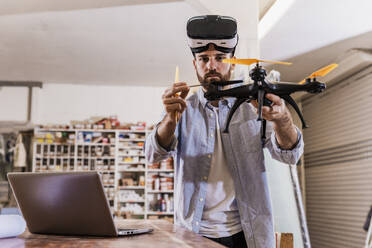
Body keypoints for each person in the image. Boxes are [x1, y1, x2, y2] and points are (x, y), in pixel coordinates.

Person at [145, 15, 304, 248]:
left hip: (248, 234)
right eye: (203, 59)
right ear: (195, 64)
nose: (211, 65)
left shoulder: (254, 107)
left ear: (233, 61)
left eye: (220, 58)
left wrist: (282, 120)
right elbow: (152, 155)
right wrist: (169, 119)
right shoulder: (181, 107)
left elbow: (290, 155)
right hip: (193, 234)